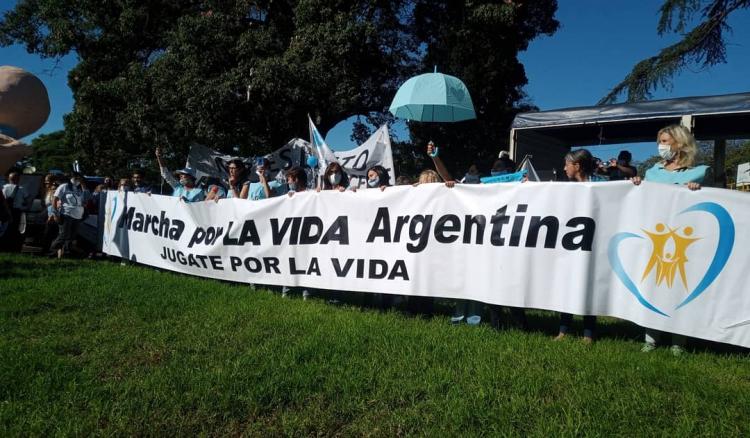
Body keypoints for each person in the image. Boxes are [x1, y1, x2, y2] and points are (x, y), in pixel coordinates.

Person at [632, 124, 708, 355]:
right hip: (655, 237)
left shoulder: (699, 172)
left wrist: (698, 189)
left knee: (680, 287)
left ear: (680, 143)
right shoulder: (652, 172)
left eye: (665, 141)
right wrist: (636, 186)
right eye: (660, 141)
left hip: (685, 239)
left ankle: (679, 341)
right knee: (653, 285)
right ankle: (651, 337)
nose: (661, 146)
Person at [554, 149, 602, 343]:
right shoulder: (567, 188)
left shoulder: (602, 185)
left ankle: (588, 333)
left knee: (589, 288)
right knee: (568, 287)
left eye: (567, 164)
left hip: (593, 244)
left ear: (577, 166)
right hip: (571, 246)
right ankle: (563, 330)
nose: (564, 168)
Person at [49, 171, 91, 258]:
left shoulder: (79, 189)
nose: (78, 180)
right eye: (77, 178)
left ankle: (66, 254)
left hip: (77, 216)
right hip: (66, 214)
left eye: (80, 179)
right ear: (72, 178)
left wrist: (83, 185)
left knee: (71, 237)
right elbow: (55, 199)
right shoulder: (64, 186)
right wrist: (55, 213)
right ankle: (52, 252)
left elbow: (86, 199)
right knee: (63, 235)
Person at [1, 171, 31, 251]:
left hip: (5, 211)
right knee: (15, 230)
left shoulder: (4, 187)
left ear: (9, 178)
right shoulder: (22, 189)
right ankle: (13, 247)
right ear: (18, 179)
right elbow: (28, 199)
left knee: (5, 229)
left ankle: (4, 246)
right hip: (17, 211)